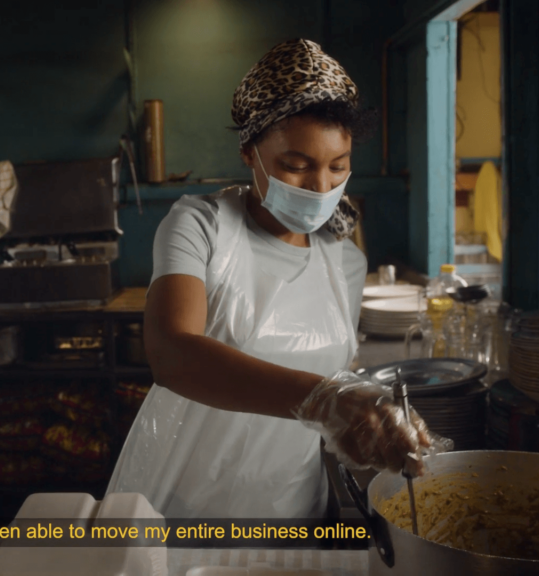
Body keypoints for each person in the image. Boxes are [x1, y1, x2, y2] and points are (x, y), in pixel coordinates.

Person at [106, 39, 450, 519]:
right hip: (185, 504)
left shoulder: (344, 263)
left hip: (292, 506)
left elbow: (334, 382)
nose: (320, 187)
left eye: (339, 167)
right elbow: (170, 352)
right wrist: (322, 399)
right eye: (296, 165)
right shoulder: (202, 227)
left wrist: (369, 422)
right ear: (250, 152)